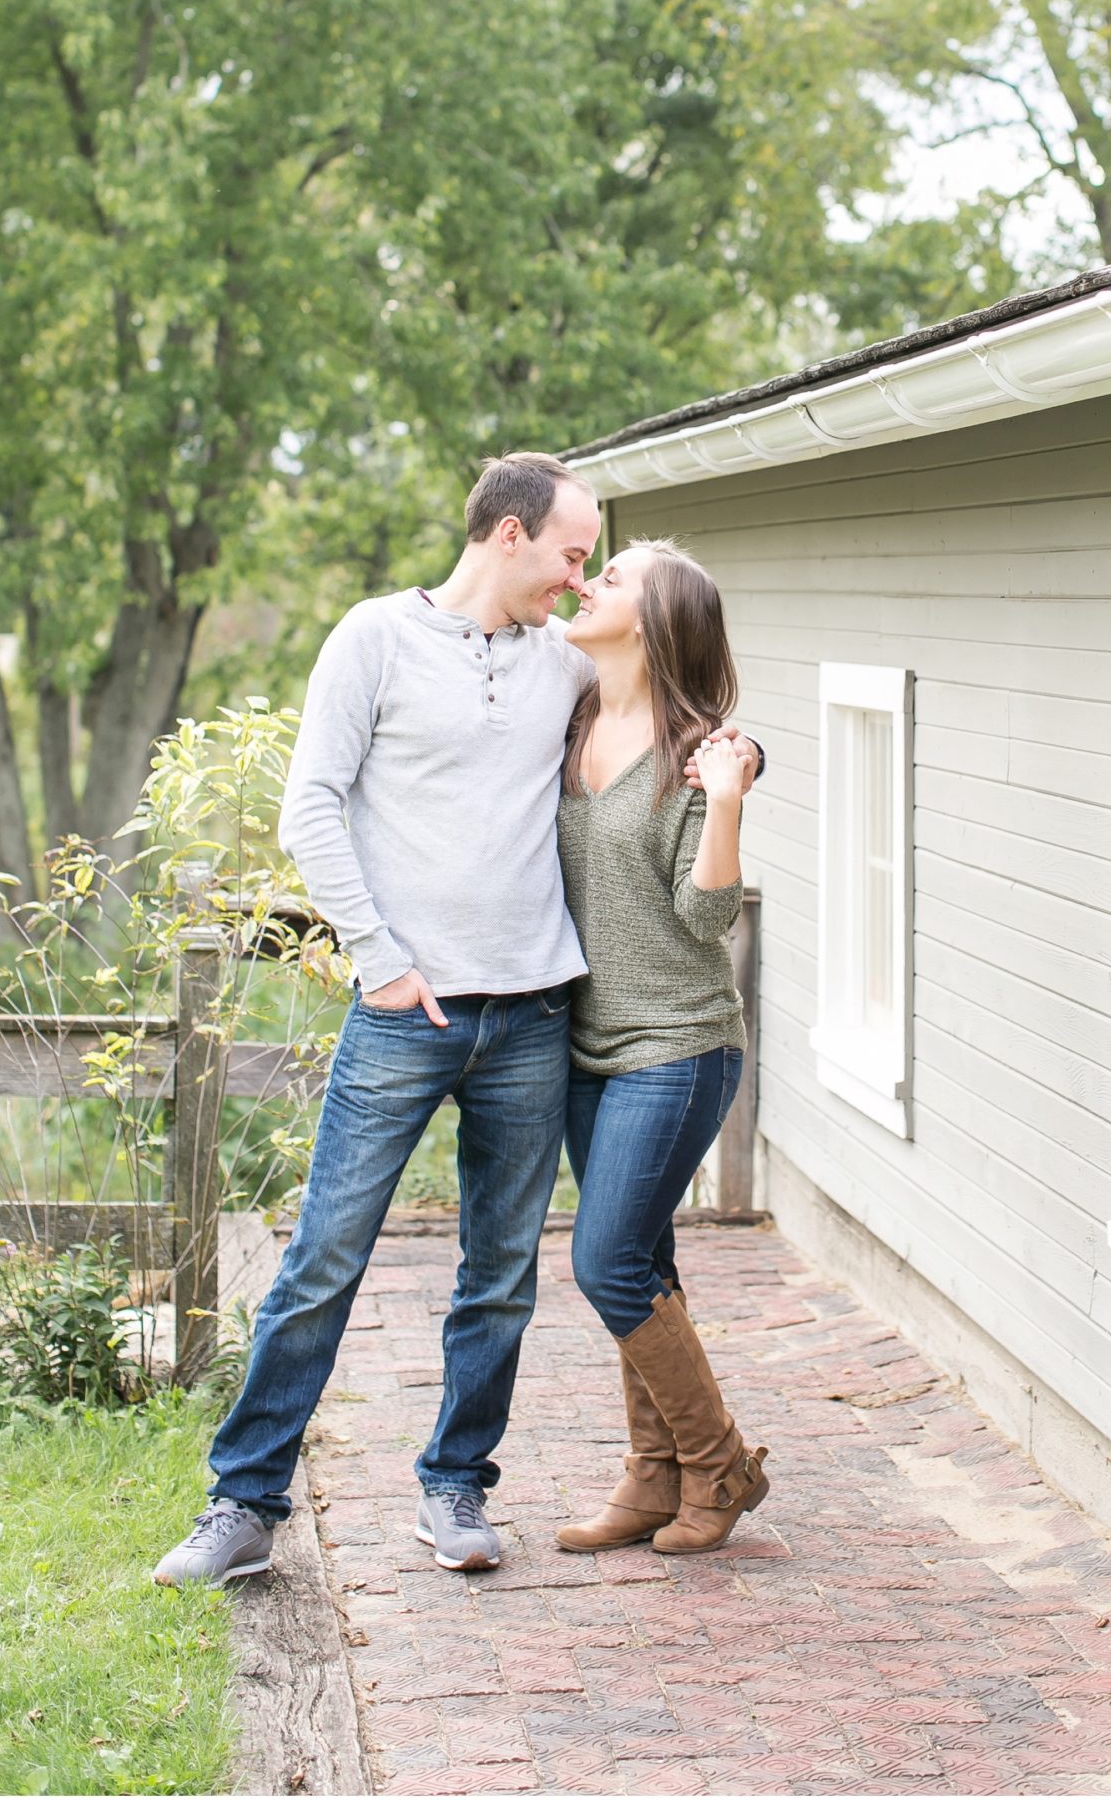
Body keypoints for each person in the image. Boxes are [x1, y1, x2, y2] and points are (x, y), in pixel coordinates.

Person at [153, 456, 758, 1589]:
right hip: (403, 1013)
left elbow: (672, 713)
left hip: (535, 1017)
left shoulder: (558, 670)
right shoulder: (374, 638)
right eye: (573, 556)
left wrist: (737, 761)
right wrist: (379, 960)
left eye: (595, 567)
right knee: (323, 1260)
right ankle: (242, 1503)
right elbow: (309, 806)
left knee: (498, 1275)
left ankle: (456, 1487)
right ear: (512, 533)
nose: (579, 583)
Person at [552, 537, 769, 1556]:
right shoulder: (567, 718)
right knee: (642, 1257)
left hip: (677, 1045)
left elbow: (701, 915)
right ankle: (652, 1478)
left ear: (650, 620)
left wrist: (725, 797)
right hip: (585, 1048)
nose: (591, 581)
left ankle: (717, 1460)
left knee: (605, 1263)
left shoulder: (696, 756)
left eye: (615, 577)